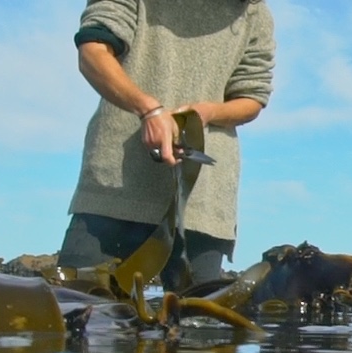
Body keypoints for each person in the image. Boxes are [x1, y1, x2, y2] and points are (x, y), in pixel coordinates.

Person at [57, 0, 276, 288]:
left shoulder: (255, 12)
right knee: (76, 312)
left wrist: (206, 113)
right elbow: (93, 51)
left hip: (203, 200)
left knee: (197, 325)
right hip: (113, 187)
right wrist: (147, 109)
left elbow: (252, 97)